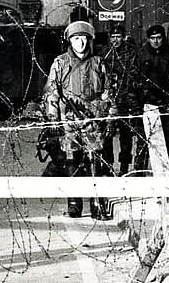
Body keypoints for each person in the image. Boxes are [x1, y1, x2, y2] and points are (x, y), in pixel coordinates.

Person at [42, 21, 112, 220]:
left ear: (89, 40)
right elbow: (51, 92)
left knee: (94, 162)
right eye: (75, 39)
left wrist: (105, 112)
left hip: (93, 120)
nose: (80, 43)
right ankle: (74, 203)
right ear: (69, 41)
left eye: (83, 38)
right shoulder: (61, 62)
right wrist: (53, 119)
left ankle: (97, 202)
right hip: (69, 120)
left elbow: (108, 91)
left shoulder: (99, 63)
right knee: (71, 161)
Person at [134, 25, 169, 173]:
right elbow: (134, 80)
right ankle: (140, 172)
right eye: (153, 38)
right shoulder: (140, 55)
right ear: (148, 39)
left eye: (159, 38)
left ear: (163, 38)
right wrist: (136, 105)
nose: (156, 41)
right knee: (143, 141)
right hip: (146, 103)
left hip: (165, 104)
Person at [100, 24, 140, 176]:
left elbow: (134, 74)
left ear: (123, 37)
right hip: (109, 99)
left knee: (126, 135)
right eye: (113, 37)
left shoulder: (130, 52)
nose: (115, 40)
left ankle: (124, 166)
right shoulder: (105, 53)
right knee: (106, 133)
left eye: (118, 37)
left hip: (125, 98)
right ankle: (108, 164)